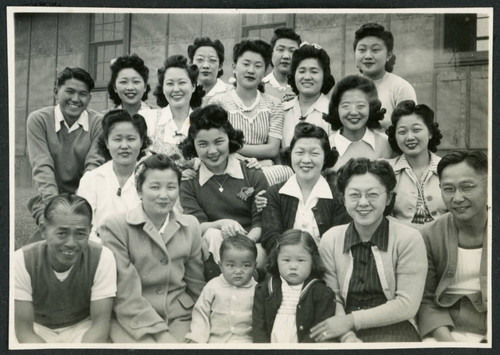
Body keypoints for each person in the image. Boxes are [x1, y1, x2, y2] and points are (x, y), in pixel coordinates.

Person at [314, 158, 427, 342]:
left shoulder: (408, 239)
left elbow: (407, 305)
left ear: (389, 197)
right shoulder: (331, 239)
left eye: (372, 194)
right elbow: (331, 297)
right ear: (343, 199)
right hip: (340, 327)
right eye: (354, 195)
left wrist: (351, 321)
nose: (363, 202)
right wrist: (347, 337)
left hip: (393, 326)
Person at [99, 154, 205, 343]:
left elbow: (196, 285)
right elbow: (125, 292)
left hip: (179, 317)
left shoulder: (191, 225)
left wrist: (200, 327)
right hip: (132, 319)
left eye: (171, 187)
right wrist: (161, 335)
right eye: (155, 187)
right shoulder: (116, 227)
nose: (164, 195)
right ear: (139, 191)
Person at [14, 194, 116, 343]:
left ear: (90, 230)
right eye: (62, 233)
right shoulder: (21, 260)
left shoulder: (102, 257)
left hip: (82, 327)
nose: (71, 243)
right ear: (44, 230)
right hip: (38, 328)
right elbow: (24, 331)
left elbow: (100, 325)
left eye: (80, 233)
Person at [179, 105, 268, 274]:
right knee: (212, 235)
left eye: (219, 142)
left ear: (229, 139)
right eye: (203, 144)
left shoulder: (252, 173)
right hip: (213, 249)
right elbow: (196, 225)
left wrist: (244, 245)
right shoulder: (190, 181)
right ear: (193, 145)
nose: (212, 151)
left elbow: (262, 222)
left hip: (252, 242)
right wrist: (221, 224)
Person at [26, 67, 104, 242]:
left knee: (86, 240)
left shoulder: (98, 122)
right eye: (70, 91)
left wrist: (77, 207)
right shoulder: (38, 120)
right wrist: (58, 208)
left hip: (86, 196)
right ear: (56, 92)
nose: (76, 99)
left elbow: (93, 166)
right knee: (49, 241)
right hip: (49, 198)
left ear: (89, 98)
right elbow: (42, 166)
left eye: (83, 94)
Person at [418, 151, 488, 343]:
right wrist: (448, 342)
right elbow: (425, 298)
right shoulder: (429, 235)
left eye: (467, 187)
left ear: (488, 185)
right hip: (442, 329)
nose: (457, 198)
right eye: (448, 189)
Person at [209, 39, 291, 185]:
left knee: (287, 172)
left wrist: (234, 147)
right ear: (234, 67)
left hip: (264, 168)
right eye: (246, 64)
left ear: (265, 71)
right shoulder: (218, 103)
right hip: (229, 165)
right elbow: (217, 144)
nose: (251, 70)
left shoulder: (274, 104)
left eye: (258, 66)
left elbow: (272, 149)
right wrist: (242, 159)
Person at [261, 122, 350, 254]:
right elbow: (270, 238)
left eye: (314, 153)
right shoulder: (274, 193)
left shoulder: (338, 196)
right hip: (286, 265)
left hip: (326, 265)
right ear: (290, 154)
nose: (306, 160)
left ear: (325, 157)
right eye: (300, 152)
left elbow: (340, 240)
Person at [77, 109, 151, 242]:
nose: (124, 146)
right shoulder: (91, 179)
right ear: (106, 142)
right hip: (100, 252)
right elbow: (84, 227)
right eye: (117, 139)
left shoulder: (151, 178)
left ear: (141, 142)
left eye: (131, 139)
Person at [253, 230, 335, 343]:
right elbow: (259, 328)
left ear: (313, 261)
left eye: (300, 260)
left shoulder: (321, 293)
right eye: (286, 260)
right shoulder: (266, 289)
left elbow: (319, 331)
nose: (293, 266)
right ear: (276, 260)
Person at [185, 236, 257, 343]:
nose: (238, 271)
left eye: (246, 265)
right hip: (215, 340)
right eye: (230, 265)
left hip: (244, 341)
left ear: (254, 266)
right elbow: (201, 313)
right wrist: (197, 337)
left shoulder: (257, 289)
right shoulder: (213, 286)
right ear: (220, 266)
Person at [386, 100, 446, 228]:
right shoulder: (386, 170)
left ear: (430, 133)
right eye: (402, 132)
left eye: (416, 130)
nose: (409, 137)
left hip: (443, 241)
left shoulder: (447, 168)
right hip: (401, 242)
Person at [148, 55, 204, 177]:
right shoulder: (150, 119)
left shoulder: (203, 121)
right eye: (169, 84)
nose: (176, 89)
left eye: (182, 82)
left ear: (193, 86)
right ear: (162, 88)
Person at [353, 23, 417, 130]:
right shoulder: (348, 87)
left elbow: (409, 130)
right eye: (362, 50)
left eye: (375, 50)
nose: (368, 56)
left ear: (389, 55)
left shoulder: (400, 88)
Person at [327, 75, 394, 172]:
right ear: (336, 109)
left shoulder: (387, 144)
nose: (353, 112)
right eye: (346, 106)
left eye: (360, 105)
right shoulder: (326, 146)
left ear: (371, 108)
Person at [281, 43, 336, 149]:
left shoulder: (334, 113)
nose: (307, 77)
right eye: (301, 71)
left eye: (314, 72)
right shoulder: (282, 110)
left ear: (324, 76)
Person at [187, 36, 232, 106]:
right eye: (200, 60)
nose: (206, 66)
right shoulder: (185, 93)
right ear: (191, 64)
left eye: (212, 60)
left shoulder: (231, 93)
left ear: (220, 66)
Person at [263, 27, 302, 102]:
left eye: (292, 51)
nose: (286, 56)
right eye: (281, 50)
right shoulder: (259, 87)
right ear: (271, 53)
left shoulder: (305, 87)